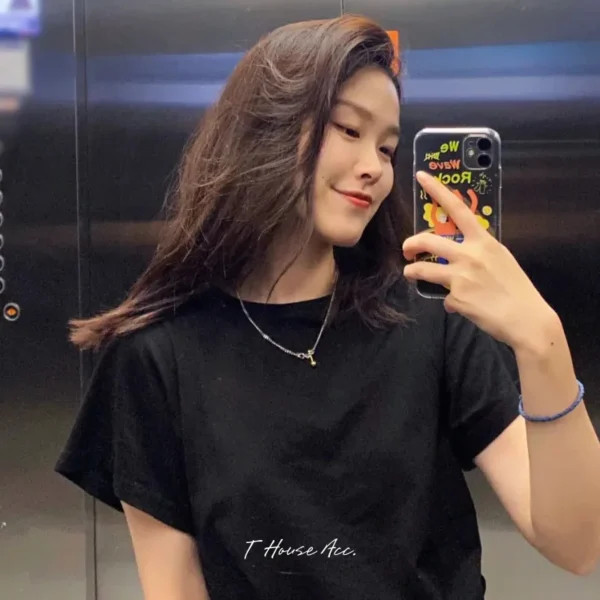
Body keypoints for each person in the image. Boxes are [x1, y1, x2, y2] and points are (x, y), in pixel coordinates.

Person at [55, 14, 600, 600]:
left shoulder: (431, 323)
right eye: (348, 129)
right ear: (266, 127)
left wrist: (542, 342)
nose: (375, 167)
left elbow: (579, 544)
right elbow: (177, 588)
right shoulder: (156, 357)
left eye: (387, 148)